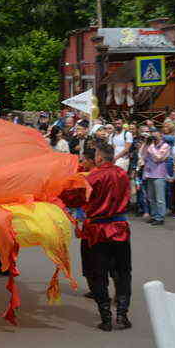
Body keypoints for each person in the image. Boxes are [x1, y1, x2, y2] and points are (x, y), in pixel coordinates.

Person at [60, 142, 132, 332]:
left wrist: (58, 188)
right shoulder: (123, 175)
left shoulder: (92, 177)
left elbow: (73, 198)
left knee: (97, 274)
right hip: (119, 228)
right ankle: (122, 314)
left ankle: (106, 317)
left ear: (99, 158)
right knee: (122, 272)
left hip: (97, 230)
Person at [142, 130, 170, 225]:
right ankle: (154, 215)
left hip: (159, 174)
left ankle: (160, 217)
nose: (154, 137)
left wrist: (151, 147)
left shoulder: (165, 146)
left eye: (156, 135)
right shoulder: (150, 145)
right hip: (149, 173)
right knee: (151, 197)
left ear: (161, 135)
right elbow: (143, 156)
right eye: (152, 135)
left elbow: (158, 157)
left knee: (160, 198)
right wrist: (146, 144)